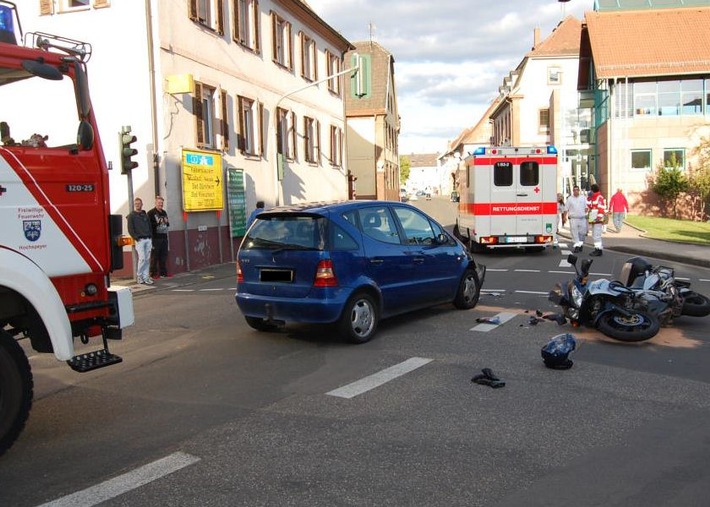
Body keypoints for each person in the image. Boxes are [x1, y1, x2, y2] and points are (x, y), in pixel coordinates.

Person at [126, 197, 153, 285]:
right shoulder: (131, 216)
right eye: (136, 204)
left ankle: (146, 277)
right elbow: (130, 229)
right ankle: (139, 276)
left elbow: (149, 226)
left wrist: (150, 236)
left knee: (147, 259)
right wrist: (136, 238)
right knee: (142, 259)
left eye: (139, 203)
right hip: (140, 240)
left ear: (142, 204)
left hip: (148, 239)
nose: (138, 205)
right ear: (135, 205)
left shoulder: (145, 215)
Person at [148, 195, 170, 279]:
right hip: (155, 238)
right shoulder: (151, 213)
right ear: (155, 203)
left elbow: (167, 224)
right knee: (154, 256)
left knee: (163, 256)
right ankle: (153, 273)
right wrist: (158, 222)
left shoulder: (164, 212)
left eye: (162, 203)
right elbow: (149, 225)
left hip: (164, 237)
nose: (161, 204)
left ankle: (163, 273)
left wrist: (166, 222)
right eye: (159, 203)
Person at [565, 186, 587, 253]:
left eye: (577, 190)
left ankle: (580, 244)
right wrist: (564, 217)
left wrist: (587, 212)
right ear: (573, 191)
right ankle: (577, 246)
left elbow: (586, 207)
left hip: (582, 218)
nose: (576, 191)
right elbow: (566, 209)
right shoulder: (570, 199)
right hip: (573, 219)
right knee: (574, 233)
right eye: (574, 190)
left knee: (582, 233)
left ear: (579, 190)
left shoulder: (583, 198)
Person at [587, 183, 607, 257]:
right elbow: (589, 205)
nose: (590, 191)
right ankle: (597, 249)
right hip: (593, 216)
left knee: (597, 235)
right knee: (594, 234)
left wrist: (598, 218)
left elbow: (601, 208)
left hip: (597, 218)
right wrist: (588, 198)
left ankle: (598, 250)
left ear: (593, 190)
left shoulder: (599, 197)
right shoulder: (593, 197)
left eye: (590, 189)